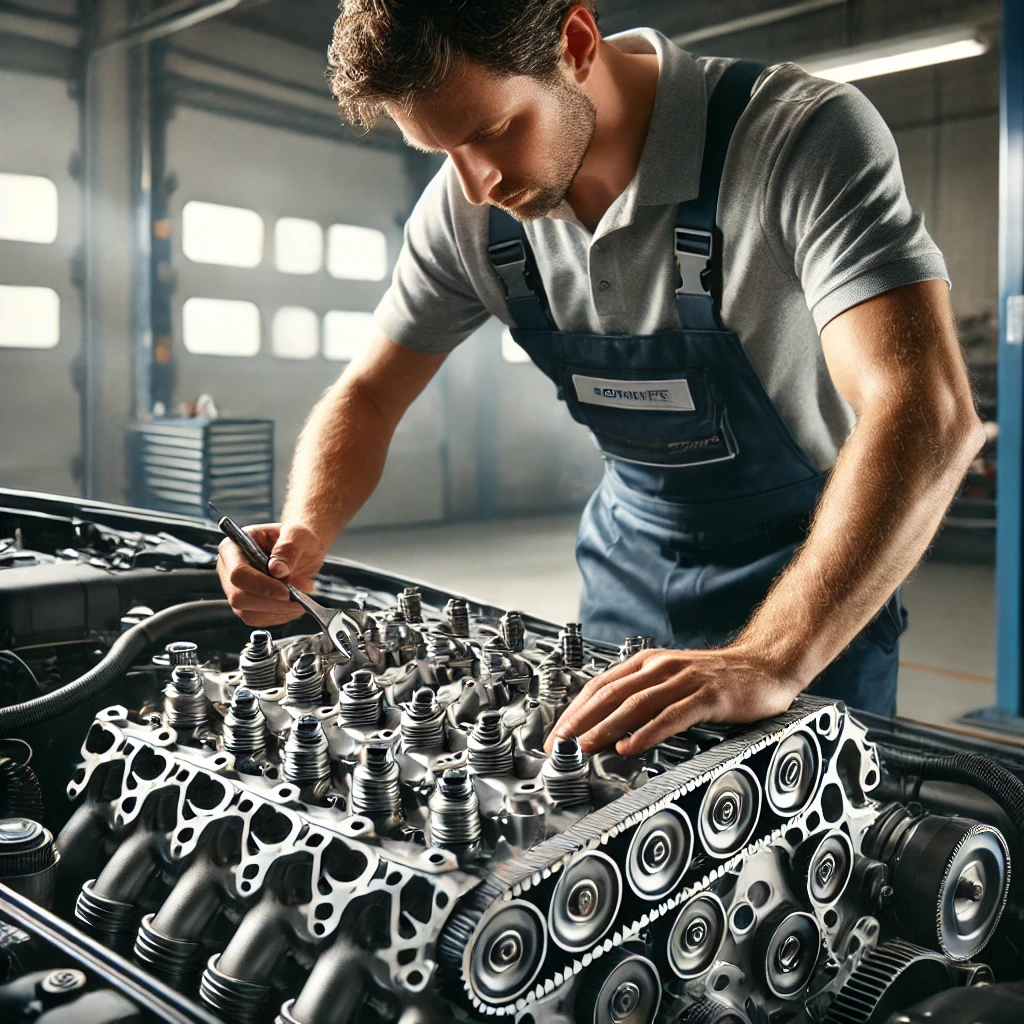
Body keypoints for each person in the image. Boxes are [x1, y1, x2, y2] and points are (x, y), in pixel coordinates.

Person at [217, 2, 983, 758]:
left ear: (576, 42)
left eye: (493, 131)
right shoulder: (468, 215)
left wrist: (773, 656)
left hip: (814, 579)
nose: (477, 183)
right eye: (441, 151)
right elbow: (370, 394)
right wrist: (305, 531)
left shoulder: (797, 138)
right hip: (628, 571)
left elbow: (924, 408)